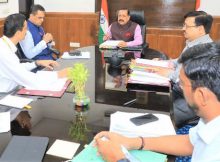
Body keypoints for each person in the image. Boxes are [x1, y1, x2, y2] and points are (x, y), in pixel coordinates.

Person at [95, 42, 220, 162]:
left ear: (201, 95)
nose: (179, 86)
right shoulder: (211, 119)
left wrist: (118, 159)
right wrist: (134, 142)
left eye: (181, 83)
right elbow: (190, 142)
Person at [156, 11, 213, 129]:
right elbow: (179, 62)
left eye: (187, 26)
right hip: (179, 90)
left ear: (200, 29)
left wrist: (169, 74)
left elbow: (191, 84)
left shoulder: (205, 51)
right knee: (153, 102)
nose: (183, 29)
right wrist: (166, 63)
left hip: (192, 101)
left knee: (161, 118)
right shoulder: (192, 43)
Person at [0, 13, 68, 93]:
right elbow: (29, 80)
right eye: (26, 28)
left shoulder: (4, 45)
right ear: (18, 33)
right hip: (5, 96)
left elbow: (16, 67)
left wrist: (36, 63)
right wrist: (58, 75)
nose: (27, 31)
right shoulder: (5, 53)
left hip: (13, 89)